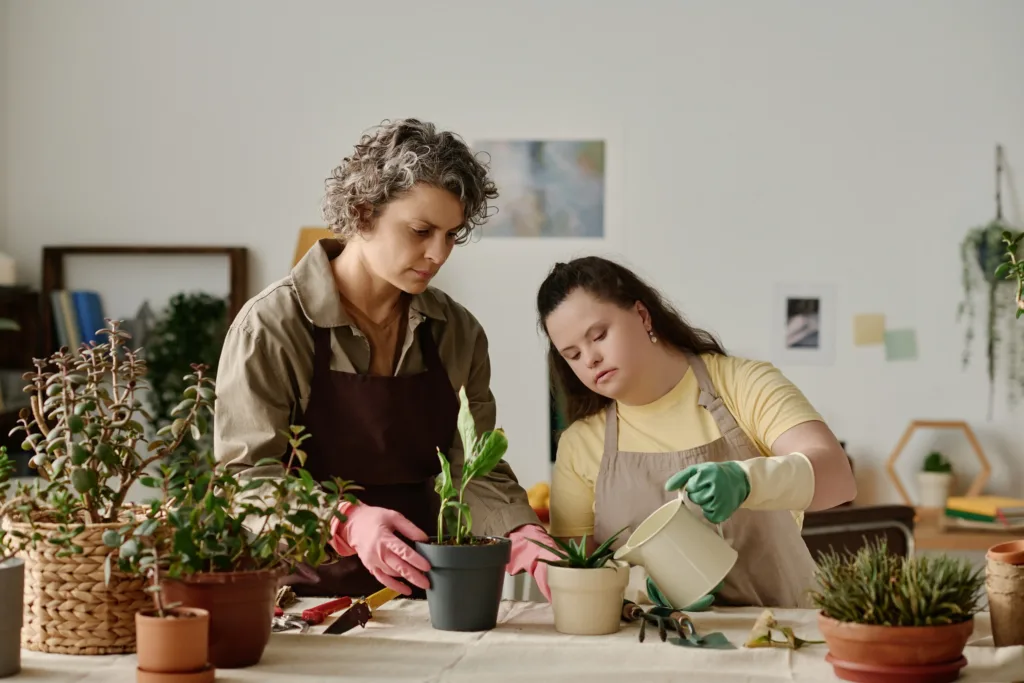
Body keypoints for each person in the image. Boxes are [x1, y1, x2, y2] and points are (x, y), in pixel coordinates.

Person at [214, 118, 557, 599]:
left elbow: (472, 465)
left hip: (426, 588)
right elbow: (245, 476)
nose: (438, 254)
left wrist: (521, 531)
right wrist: (348, 521)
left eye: (452, 235)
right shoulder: (272, 326)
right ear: (363, 212)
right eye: (421, 231)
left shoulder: (457, 332)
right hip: (297, 596)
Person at [537, 256, 856, 610]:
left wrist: (747, 481)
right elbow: (577, 574)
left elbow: (838, 479)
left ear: (642, 316)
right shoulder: (580, 443)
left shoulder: (741, 384)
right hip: (656, 644)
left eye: (598, 335)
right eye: (573, 354)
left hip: (784, 631)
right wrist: (639, 587)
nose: (590, 359)